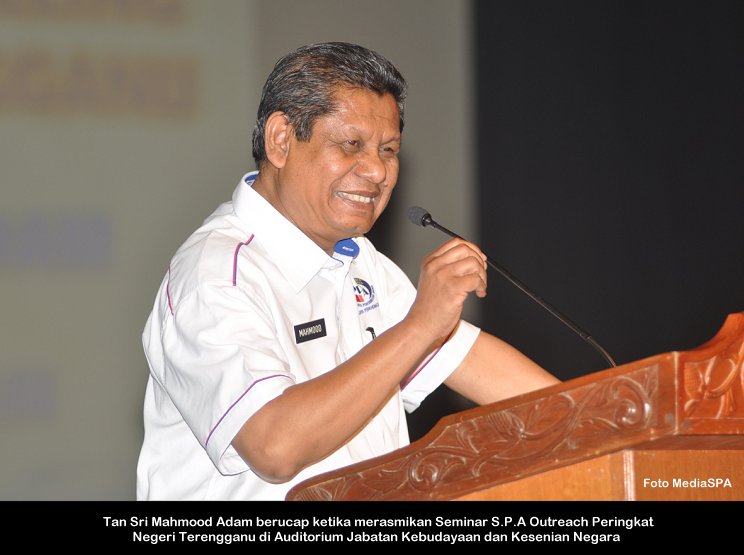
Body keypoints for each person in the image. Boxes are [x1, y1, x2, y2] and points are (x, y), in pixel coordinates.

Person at [136, 42, 558, 500]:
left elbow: (479, 368)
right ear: (281, 140)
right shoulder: (217, 273)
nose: (377, 170)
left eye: (388, 150)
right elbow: (273, 447)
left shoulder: (358, 260)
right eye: (351, 144)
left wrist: (607, 413)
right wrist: (419, 325)